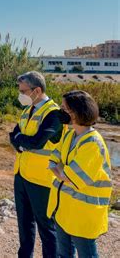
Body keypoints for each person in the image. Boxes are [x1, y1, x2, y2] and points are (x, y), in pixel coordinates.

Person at [46, 90, 111, 258]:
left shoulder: (92, 143)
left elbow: (69, 176)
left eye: (64, 108)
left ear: (76, 112)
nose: (60, 111)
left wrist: (62, 170)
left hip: (83, 215)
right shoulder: (69, 135)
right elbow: (53, 162)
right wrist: (62, 170)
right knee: (64, 254)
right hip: (64, 210)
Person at [9, 71, 63, 258]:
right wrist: (21, 140)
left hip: (42, 179)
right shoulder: (27, 110)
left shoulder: (54, 114)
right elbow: (13, 136)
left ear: (37, 90)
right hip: (21, 175)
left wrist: (21, 140)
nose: (20, 94)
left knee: (46, 227)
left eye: (23, 91)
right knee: (24, 223)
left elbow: (37, 141)